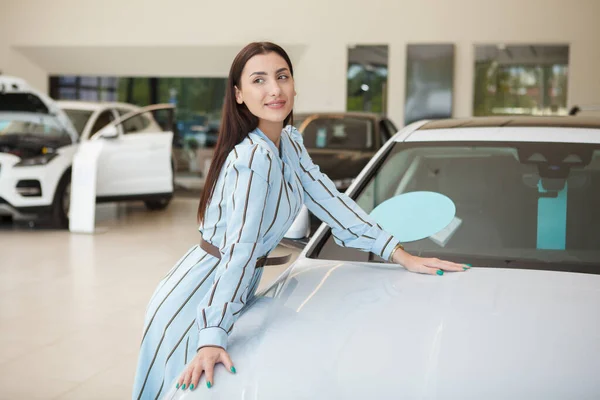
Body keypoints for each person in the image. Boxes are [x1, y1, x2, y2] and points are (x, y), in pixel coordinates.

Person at [132, 42, 470, 399]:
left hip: (229, 288)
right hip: (201, 295)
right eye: (259, 80)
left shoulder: (288, 144)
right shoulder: (253, 159)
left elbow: (332, 203)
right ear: (239, 94)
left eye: (282, 76)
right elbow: (240, 250)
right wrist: (212, 333)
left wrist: (398, 253)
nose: (275, 89)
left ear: (294, 84)